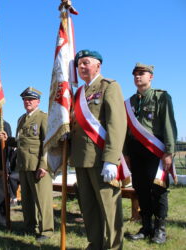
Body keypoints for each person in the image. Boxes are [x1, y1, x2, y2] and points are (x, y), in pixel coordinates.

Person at [69, 50, 126, 250]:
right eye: (79, 64)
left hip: (101, 159)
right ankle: (95, 243)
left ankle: (112, 246)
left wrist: (111, 159)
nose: (82, 67)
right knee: (89, 208)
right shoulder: (78, 93)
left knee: (109, 208)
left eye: (86, 63)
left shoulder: (109, 87)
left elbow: (116, 124)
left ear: (98, 65)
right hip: (81, 158)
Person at [124, 63, 177, 244]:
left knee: (159, 189)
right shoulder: (130, 101)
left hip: (155, 150)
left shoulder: (161, 97)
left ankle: (160, 229)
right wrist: (126, 153)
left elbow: (169, 124)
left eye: (141, 73)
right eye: (135, 74)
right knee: (141, 189)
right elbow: (126, 129)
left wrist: (169, 152)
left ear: (151, 76)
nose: (137, 77)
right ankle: (146, 227)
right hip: (135, 150)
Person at [0, 87, 54, 241]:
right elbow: (20, 142)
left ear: (38, 101)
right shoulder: (21, 119)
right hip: (23, 164)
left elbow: (48, 143)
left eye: (30, 99)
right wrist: (7, 139)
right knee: (27, 200)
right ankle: (30, 226)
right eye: (25, 100)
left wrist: (44, 165)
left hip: (38, 165)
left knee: (42, 200)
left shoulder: (43, 117)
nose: (27, 102)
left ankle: (46, 230)